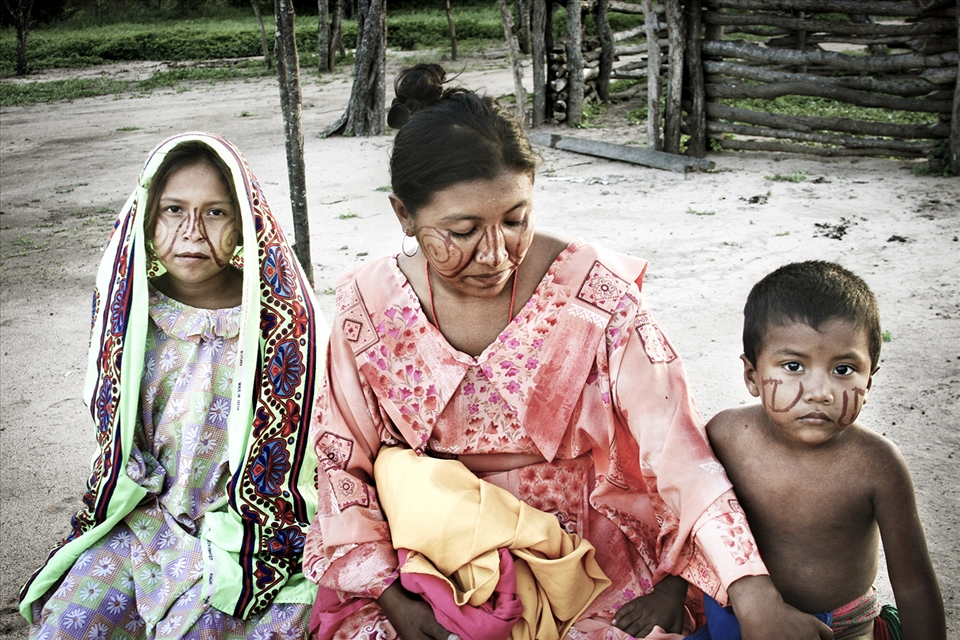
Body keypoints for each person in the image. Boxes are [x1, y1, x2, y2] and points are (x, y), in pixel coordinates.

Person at [302, 63, 833, 640]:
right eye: (461, 231)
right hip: (429, 559)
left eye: (515, 220)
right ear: (403, 214)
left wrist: (751, 591)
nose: (494, 254)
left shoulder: (595, 295)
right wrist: (394, 597)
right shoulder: (368, 306)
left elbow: (675, 448)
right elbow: (342, 465)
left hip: (588, 556)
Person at [20, 132, 328, 638]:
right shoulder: (131, 314)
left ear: (246, 223)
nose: (192, 233)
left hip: (245, 531)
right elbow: (120, 439)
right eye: (173, 211)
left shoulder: (279, 320)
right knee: (70, 626)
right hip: (146, 521)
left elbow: (299, 454)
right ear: (146, 217)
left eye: (215, 213)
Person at [701, 261, 946, 640]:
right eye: (794, 365)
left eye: (844, 370)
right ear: (752, 375)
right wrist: (668, 593)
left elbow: (915, 586)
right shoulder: (725, 435)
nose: (820, 391)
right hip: (738, 618)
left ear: (871, 378)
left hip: (844, 628)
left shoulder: (878, 466)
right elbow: (693, 523)